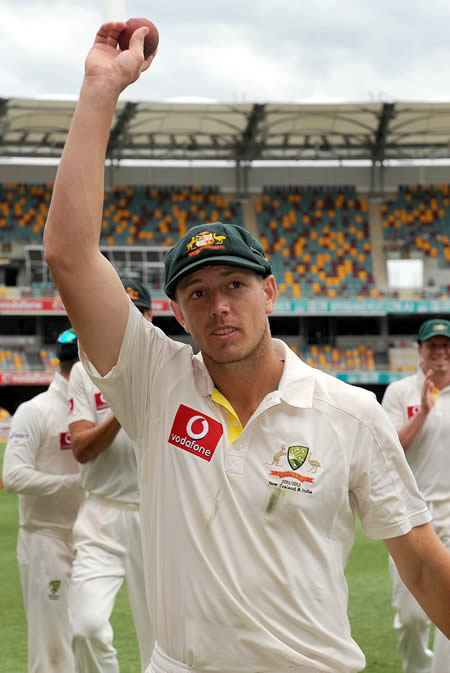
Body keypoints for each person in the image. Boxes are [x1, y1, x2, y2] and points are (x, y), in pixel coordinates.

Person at [43, 21, 450, 673]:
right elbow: (68, 254)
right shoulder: (155, 381)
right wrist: (100, 88)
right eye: (197, 293)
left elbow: (425, 566)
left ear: (271, 291)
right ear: (176, 310)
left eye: (234, 283)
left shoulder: (349, 413)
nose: (219, 305)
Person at [68, 277, 153, 673]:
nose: (130, 321)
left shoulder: (171, 368)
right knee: (85, 627)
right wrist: (121, 405)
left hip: (155, 516)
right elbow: (82, 448)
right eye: (124, 312)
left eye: (138, 313)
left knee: (161, 642)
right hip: (102, 514)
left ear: (150, 317)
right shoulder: (85, 372)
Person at [2, 328, 84, 673]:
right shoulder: (35, 411)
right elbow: (13, 476)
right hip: (46, 538)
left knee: (87, 634)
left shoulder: (93, 409)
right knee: (51, 644)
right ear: (81, 363)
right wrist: (75, 483)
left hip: (90, 537)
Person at [382, 318, 450, 673]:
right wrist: (424, 411)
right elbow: (391, 449)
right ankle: (417, 669)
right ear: (420, 351)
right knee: (410, 617)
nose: (440, 352)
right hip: (409, 514)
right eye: (432, 345)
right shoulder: (399, 392)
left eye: (445, 345)